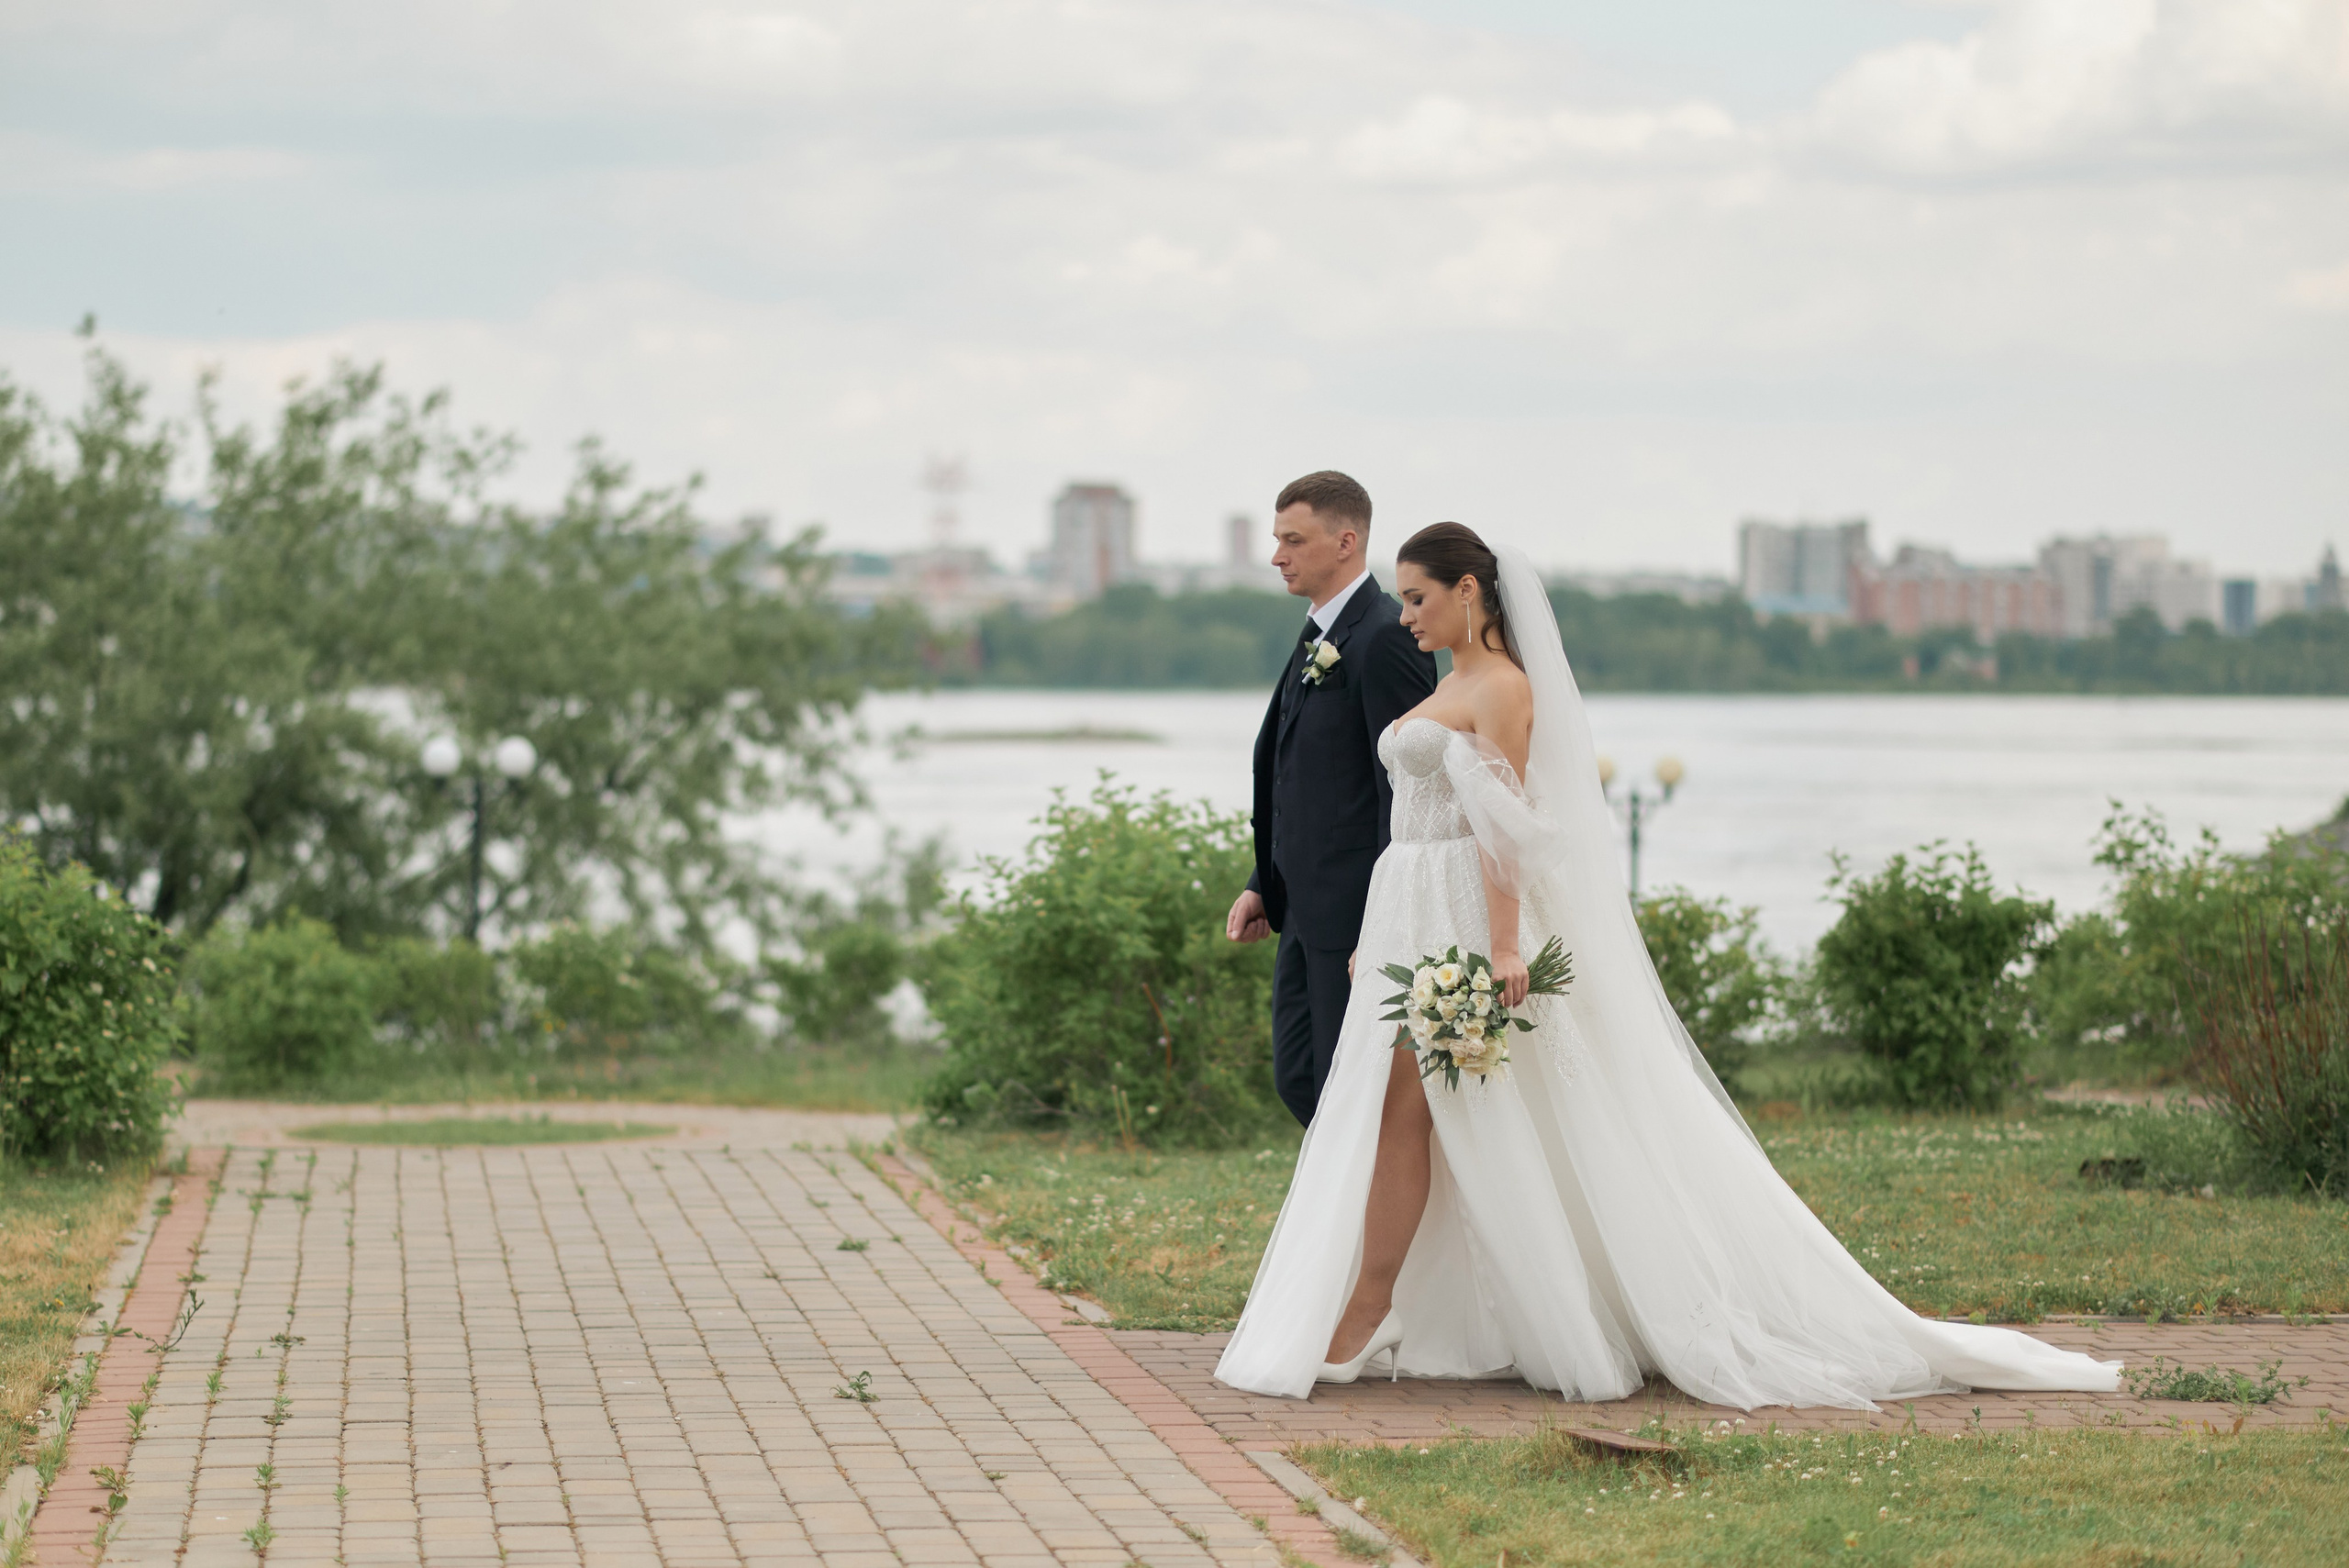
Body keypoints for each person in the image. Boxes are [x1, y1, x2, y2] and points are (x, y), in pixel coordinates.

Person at [1214, 522, 2123, 1408]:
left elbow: (1505, 833)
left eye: (1417, 597)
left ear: (1468, 591)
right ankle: (1412, 1305)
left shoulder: (1501, 689)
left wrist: (1498, 946)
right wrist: (1381, 935)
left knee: (1418, 1108)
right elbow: (1416, 813)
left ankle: (1378, 1309)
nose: (1405, 614)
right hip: (1408, 907)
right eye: (1401, 598)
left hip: (1457, 915)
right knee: (1409, 1113)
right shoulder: (1453, 680)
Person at [1227, 472, 1438, 1127]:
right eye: (1276, 539)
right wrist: (1264, 879)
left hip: (1354, 915)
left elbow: (1405, 791)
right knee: (1301, 1079)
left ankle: (1368, 1226)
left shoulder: (1384, 637)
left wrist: (1385, 923)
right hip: (1301, 905)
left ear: (1345, 541)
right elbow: (1300, 774)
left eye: (1294, 539)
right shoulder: (1319, 632)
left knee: (1349, 1093)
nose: (1277, 555)